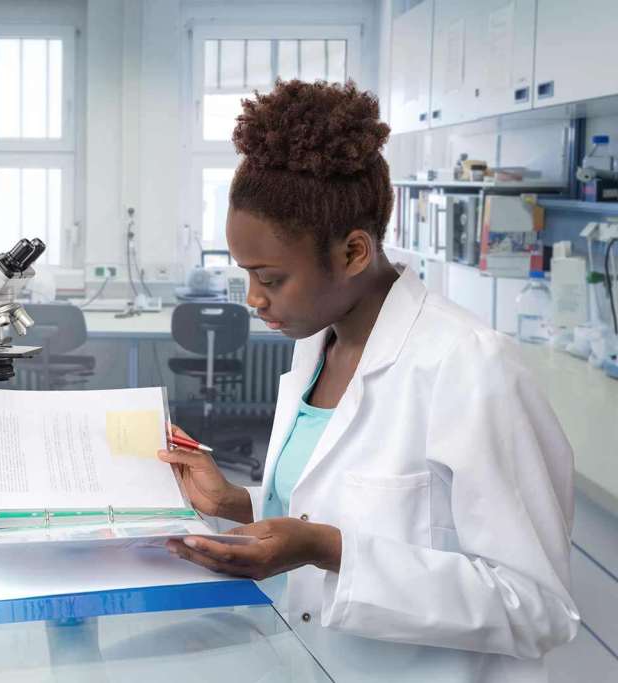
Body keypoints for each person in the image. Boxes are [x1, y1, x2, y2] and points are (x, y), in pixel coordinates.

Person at [158, 80, 579, 682]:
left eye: (271, 278)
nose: (253, 299)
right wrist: (237, 504)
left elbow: (538, 608)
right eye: (244, 274)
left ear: (354, 252)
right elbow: (344, 509)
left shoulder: (470, 366)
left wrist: (327, 551)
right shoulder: (315, 346)